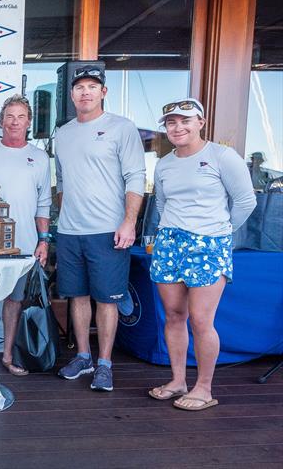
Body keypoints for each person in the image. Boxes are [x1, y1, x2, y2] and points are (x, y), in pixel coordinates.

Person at [148, 98, 255, 411]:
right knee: (174, 316)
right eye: (171, 123)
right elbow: (162, 205)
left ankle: (204, 388)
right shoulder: (165, 163)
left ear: (200, 122)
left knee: (201, 320)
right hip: (170, 243)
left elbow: (246, 202)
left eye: (185, 120)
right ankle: (178, 380)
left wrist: (219, 233)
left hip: (209, 244)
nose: (178, 127)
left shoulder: (222, 156)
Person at [54, 65, 146, 391]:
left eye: (92, 86)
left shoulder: (121, 128)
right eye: (79, 87)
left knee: (107, 299)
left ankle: (105, 363)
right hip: (69, 232)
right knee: (77, 296)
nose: (86, 92)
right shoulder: (62, 133)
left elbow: (136, 176)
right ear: (72, 94)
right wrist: (68, 214)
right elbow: (62, 181)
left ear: (103, 92)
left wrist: (129, 221)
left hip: (108, 231)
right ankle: (83, 356)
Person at [0, 94, 52, 376]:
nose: (14, 122)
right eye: (9, 116)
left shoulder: (40, 158)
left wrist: (43, 240)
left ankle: (7, 355)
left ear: (29, 122)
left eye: (20, 117)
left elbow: (43, 203)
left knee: (14, 301)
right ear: (1, 121)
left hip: (24, 245)